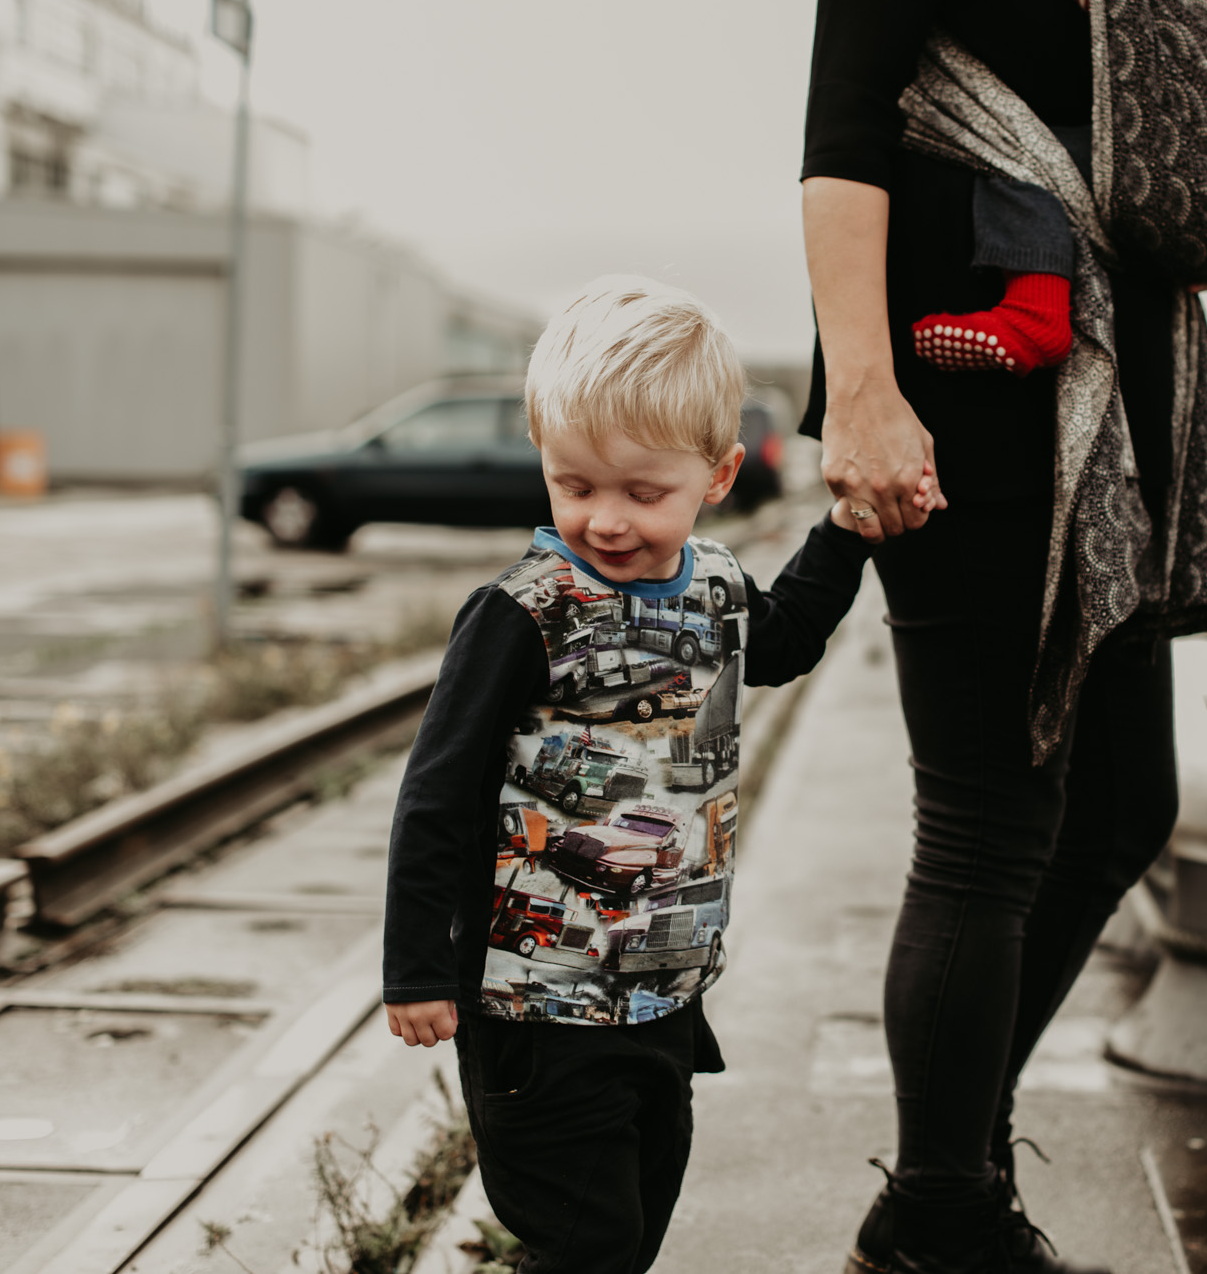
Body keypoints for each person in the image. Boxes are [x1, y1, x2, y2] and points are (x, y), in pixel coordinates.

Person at [800, 0, 1207, 1272]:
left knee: (1124, 800)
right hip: (967, 378)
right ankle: (941, 1216)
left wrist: (1200, 197)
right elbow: (844, 127)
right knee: (989, 817)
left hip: (1125, 386)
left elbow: (1203, 66)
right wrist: (861, 395)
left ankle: (948, 1154)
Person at [381, 277, 927, 1274]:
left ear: (716, 475)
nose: (606, 520)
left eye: (644, 492)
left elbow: (787, 639)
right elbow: (437, 792)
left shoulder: (714, 585)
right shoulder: (523, 610)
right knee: (588, 1241)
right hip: (532, 1001)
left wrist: (848, 531)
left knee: (632, 1225)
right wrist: (417, 967)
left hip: (662, 993)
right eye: (575, 485)